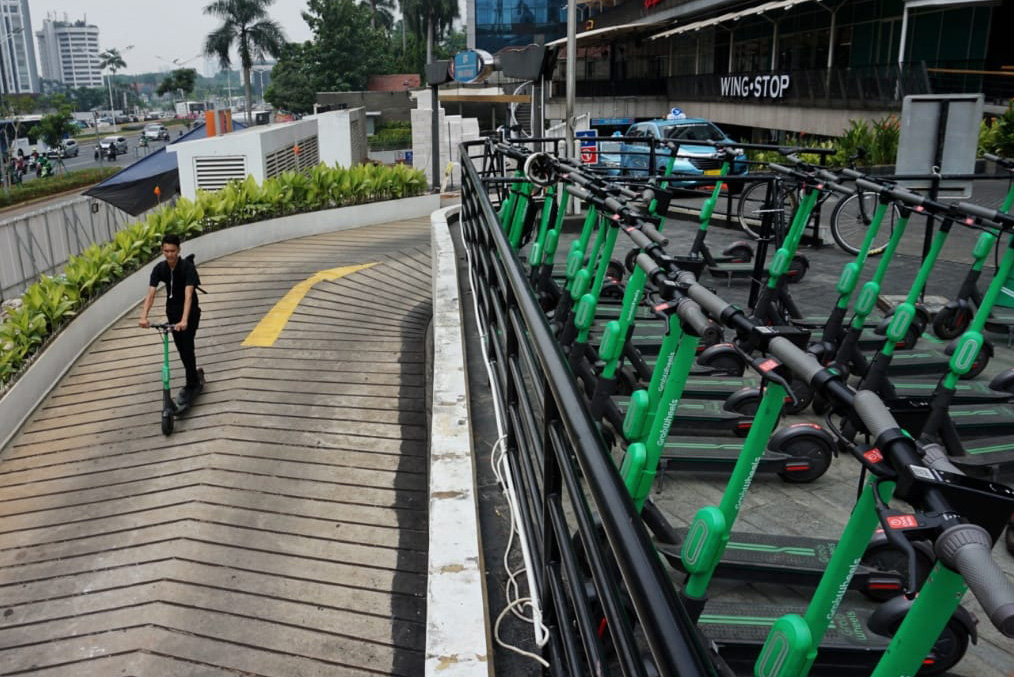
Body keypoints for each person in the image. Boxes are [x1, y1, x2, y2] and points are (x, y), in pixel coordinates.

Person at [138, 234, 203, 403]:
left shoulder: (187, 267)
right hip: (173, 315)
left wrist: (184, 320)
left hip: (190, 314)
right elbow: (151, 294)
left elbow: (189, 295)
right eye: (166, 251)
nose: (169, 255)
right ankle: (193, 374)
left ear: (179, 250)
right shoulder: (160, 269)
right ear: (162, 250)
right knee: (182, 350)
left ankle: (192, 384)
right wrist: (143, 316)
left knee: (187, 347)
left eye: (172, 251)